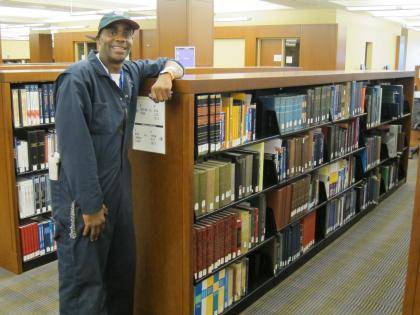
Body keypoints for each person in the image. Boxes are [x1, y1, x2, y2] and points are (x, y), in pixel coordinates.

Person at [51, 12, 184, 314]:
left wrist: (167, 75)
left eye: (128, 32)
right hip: (83, 201)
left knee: (121, 277)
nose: (121, 38)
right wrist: (90, 206)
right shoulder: (76, 80)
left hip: (120, 195)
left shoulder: (131, 73)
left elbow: (175, 62)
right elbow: (75, 150)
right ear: (98, 38)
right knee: (84, 286)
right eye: (113, 31)